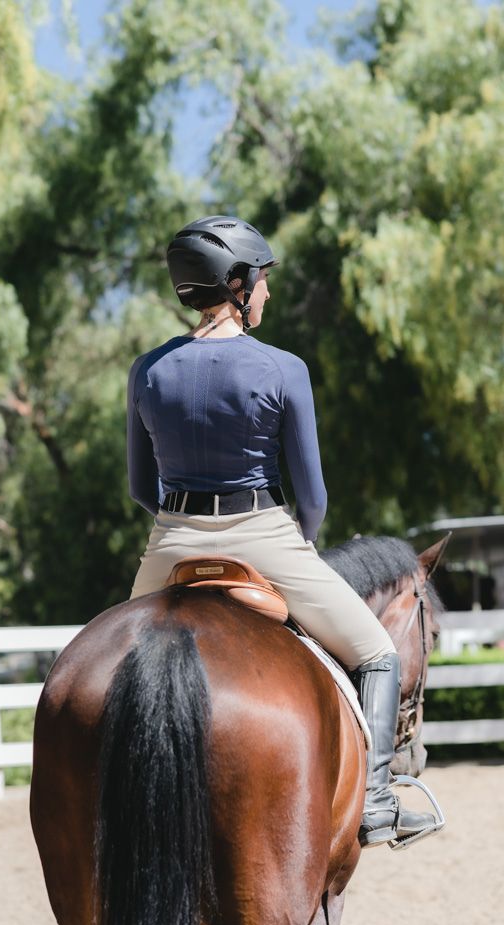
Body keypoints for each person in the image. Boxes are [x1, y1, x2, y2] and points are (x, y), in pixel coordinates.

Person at [126, 214, 433, 847]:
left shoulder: (147, 371)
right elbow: (311, 495)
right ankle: (375, 800)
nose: (266, 291)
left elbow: (139, 485)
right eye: (261, 279)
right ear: (236, 284)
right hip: (264, 534)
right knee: (376, 651)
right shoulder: (283, 368)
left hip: (172, 540)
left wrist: (181, 524)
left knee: (125, 676)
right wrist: (303, 543)